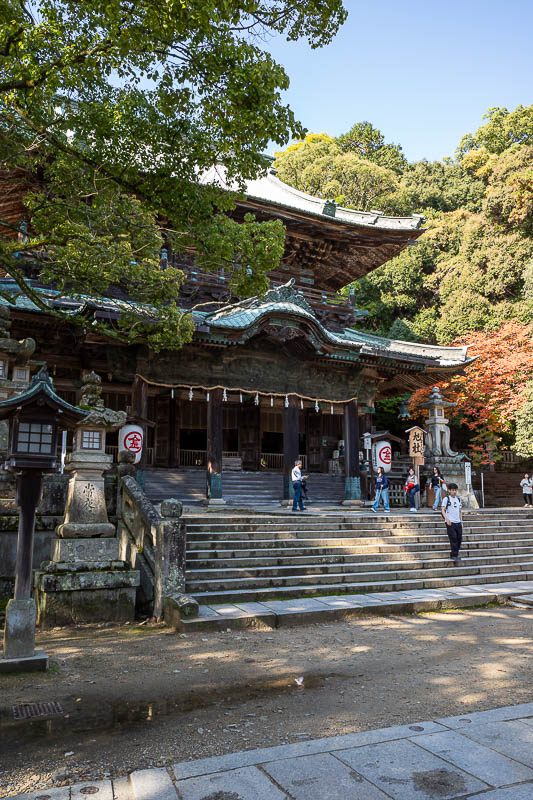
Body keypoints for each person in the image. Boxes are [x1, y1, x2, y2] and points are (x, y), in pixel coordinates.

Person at [442, 482, 463, 565]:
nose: (454, 492)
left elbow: (460, 511)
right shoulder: (446, 499)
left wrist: (461, 521)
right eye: (453, 490)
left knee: (459, 539)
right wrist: (446, 519)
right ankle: (455, 555)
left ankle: (454, 553)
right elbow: (443, 510)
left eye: (455, 490)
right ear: (449, 490)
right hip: (450, 522)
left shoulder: (458, 499)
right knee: (453, 538)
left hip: (458, 521)